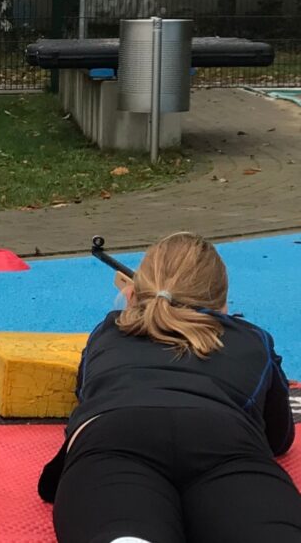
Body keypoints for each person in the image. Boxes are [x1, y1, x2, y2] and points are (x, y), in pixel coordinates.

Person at [40, 232, 301, 543]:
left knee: (119, 534)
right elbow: (279, 436)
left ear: (134, 292)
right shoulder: (251, 338)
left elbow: (86, 394)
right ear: (223, 302)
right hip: (226, 441)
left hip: (115, 437)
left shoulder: (109, 331)